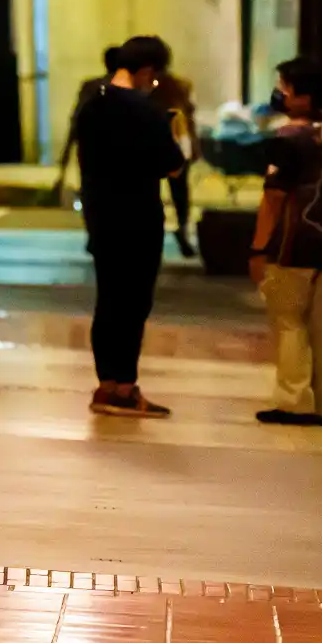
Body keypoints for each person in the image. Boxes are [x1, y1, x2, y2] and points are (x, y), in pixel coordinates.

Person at [74, 35, 188, 417]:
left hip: (100, 215)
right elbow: (173, 165)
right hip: (138, 217)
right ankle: (125, 387)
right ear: (146, 71)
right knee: (134, 303)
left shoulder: (91, 105)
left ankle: (106, 385)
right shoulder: (148, 111)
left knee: (107, 300)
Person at [249, 56, 322, 427]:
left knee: (289, 319)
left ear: (301, 97)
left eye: (285, 87)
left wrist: (259, 247)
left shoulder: (287, 139)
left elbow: (274, 197)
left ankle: (293, 400)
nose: (280, 93)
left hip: (293, 245)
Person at [54, 46, 122, 198]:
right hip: (120, 149)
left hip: (92, 147)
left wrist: (64, 162)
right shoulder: (131, 88)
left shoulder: (90, 87)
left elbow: (77, 118)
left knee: (93, 192)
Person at [150, 53, 200, 257]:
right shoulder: (179, 85)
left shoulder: (147, 87)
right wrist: (194, 144)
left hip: (152, 144)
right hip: (178, 144)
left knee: (152, 193)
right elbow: (189, 116)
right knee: (180, 193)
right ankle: (182, 229)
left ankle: (159, 233)